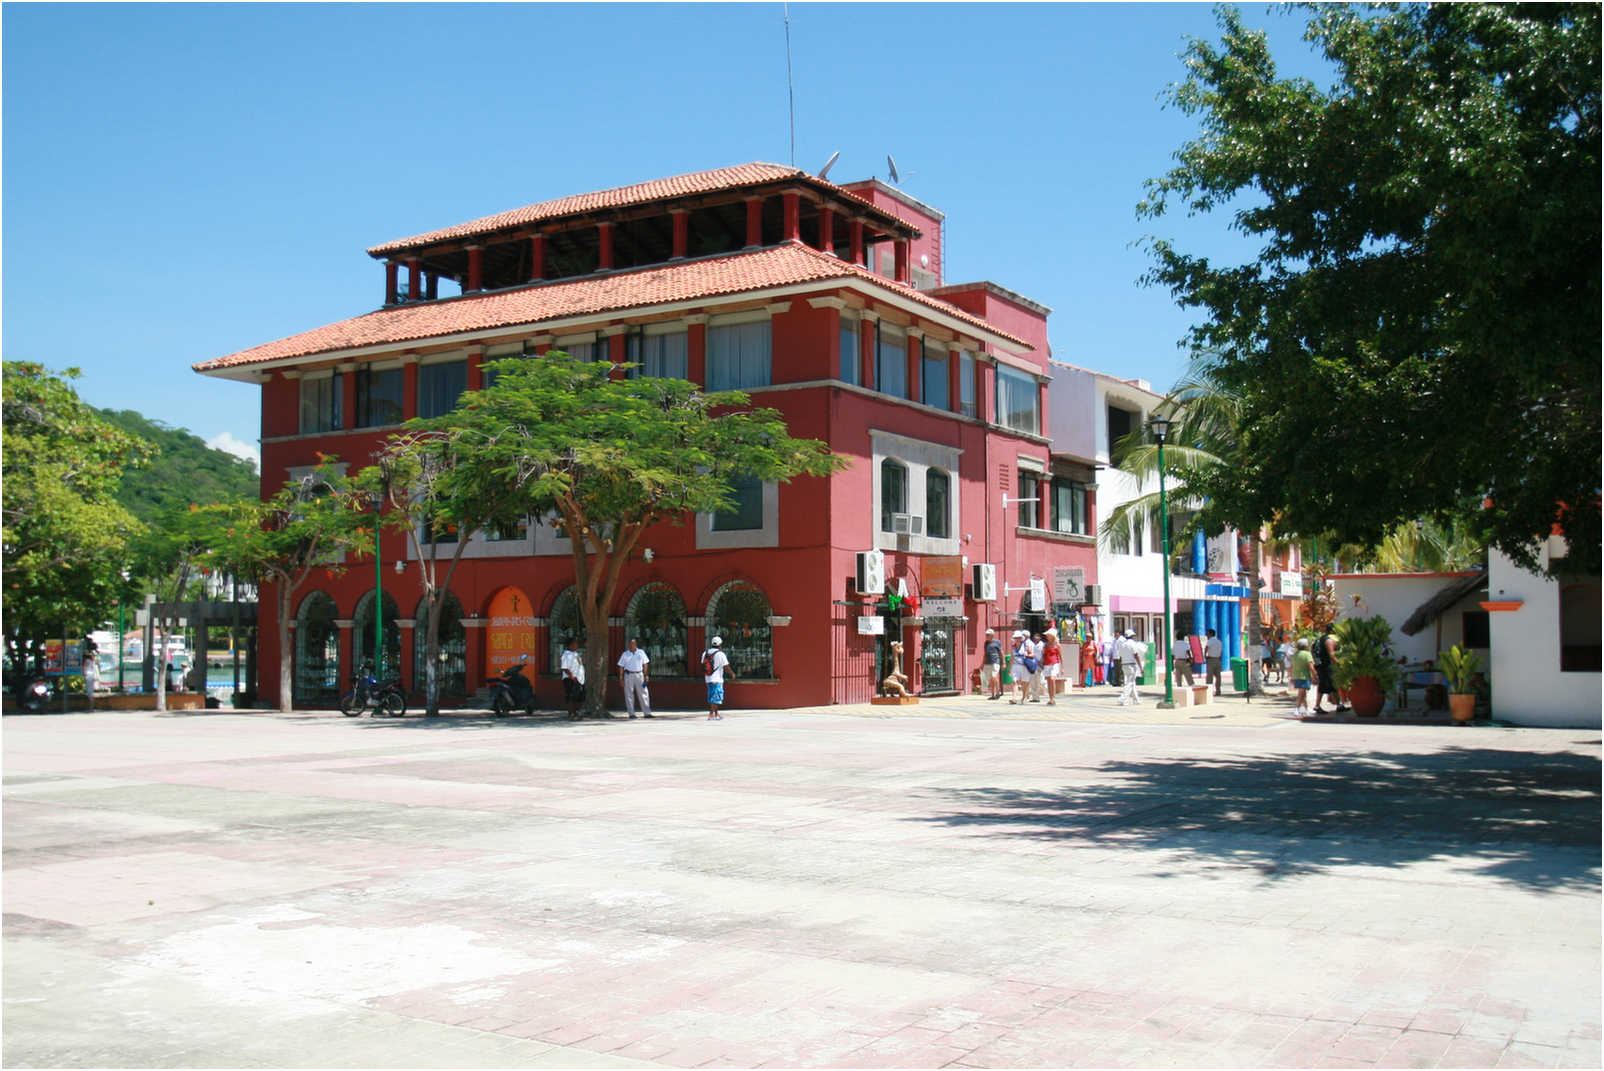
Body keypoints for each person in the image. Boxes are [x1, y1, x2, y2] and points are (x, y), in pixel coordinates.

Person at [1313, 624, 1348, 714]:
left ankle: (1337, 705)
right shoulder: (1329, 640)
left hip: (1319, 665)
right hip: (1326, 666)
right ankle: (1319, 706)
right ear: (1332, 631)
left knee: (1328, 686)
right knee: (1329, 686)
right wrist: (1339, 664)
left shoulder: (1319, 639)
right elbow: (1331, 654)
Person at [616, 637, 652, 718]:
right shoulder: (625, 654)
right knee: (629, 694)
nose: (631, 645)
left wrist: (646, 675)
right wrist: (621, 678)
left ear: (636, 645)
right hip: (628, 675)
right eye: (630, 644)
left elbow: (645, 664)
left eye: (633, 644)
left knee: (644, 693)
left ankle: (647, 713)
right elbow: (621, 666)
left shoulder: (641, 652)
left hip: (640, 675)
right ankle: (631, 713)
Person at [702, 635, 733, 720]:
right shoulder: (720, 654)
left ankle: (716, 714)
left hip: (708, 678)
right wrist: (732, 674)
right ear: (720, 645)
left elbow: (703, 664)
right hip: (717, 679)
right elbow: (726, 667)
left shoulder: (705, 653)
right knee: (716, 697)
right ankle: (711, 715)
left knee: (712, 696)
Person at [1289, 637, 1316, 717]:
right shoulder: (1307, 654)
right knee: (1301, 693)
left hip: (1296, 676)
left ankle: (1307, 708)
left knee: (1303, 693)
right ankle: (1297, 709)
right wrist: (1315, 675)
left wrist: (1291, 676)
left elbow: (1292, 666)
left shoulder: (1295, 655)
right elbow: (1311, 667)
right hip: (1304, 676)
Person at [1118, 629, 1146, 706]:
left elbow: (1120, 656)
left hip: (1124, 664)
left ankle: (1136, 700)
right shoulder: (1133, 644)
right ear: (1132, 636)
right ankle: (1123, 699)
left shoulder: (1122, 644)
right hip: (1131, 665)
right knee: (1129, 683)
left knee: (1132, 683)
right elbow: (1136, 655)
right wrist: (1141, 667)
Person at [560, 637, 585, 719]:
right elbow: (564, 667)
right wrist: (571, 676)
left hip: (579, 679)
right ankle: (571, 714)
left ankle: (576, 712)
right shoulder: (566, 655)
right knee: (571, 696)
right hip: (570, 679)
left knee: (579, 697)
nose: (577, 645)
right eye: (575, 643)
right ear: (570, 645)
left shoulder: (576, 654)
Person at [1041, 628, 1063, 706]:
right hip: (1047, 664)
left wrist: (1062, 667)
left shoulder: (1057, 645)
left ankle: (1053, 698)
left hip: (1054, 664)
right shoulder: (1045, 645)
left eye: (1048, 635)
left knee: (1052, 679)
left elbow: (1061, 656)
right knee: (1049, 680)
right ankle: (1050, 698)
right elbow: (1043, 655)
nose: (1047, 636)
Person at [980, 629, 1004, 700]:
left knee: (994, 677)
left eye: (988, 634)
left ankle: (998, 692)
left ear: (992, 635)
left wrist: (1004, 663)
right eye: (986, 634)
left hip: (995, 661)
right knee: (990, 679)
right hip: (987, 662)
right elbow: (985, 654)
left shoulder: (997, 642)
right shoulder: (986, 643)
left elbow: (1001, 652)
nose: (986, 636)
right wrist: (982, 664)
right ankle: (993, 695)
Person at [80, 634, 100, 709]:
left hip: (88, 676)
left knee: (89, 691)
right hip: (91, 675)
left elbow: (84, 668)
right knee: (89, 691)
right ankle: (91, 705)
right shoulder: (92, 661)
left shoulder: (87, 661)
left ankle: (91, 705)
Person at [1205, 628, 1224, 696]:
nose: (1207, 635)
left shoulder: (1210, 641)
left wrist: (1205, 655)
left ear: (1210, 634)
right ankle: (1218, 690)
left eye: (1207, 634)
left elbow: (1206, 648)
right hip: (1218, 660)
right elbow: (1221, 652)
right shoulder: (1219, 642)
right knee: (1218, 676)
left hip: (1211, 660)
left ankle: (1209, 692)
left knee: (1209, 677)